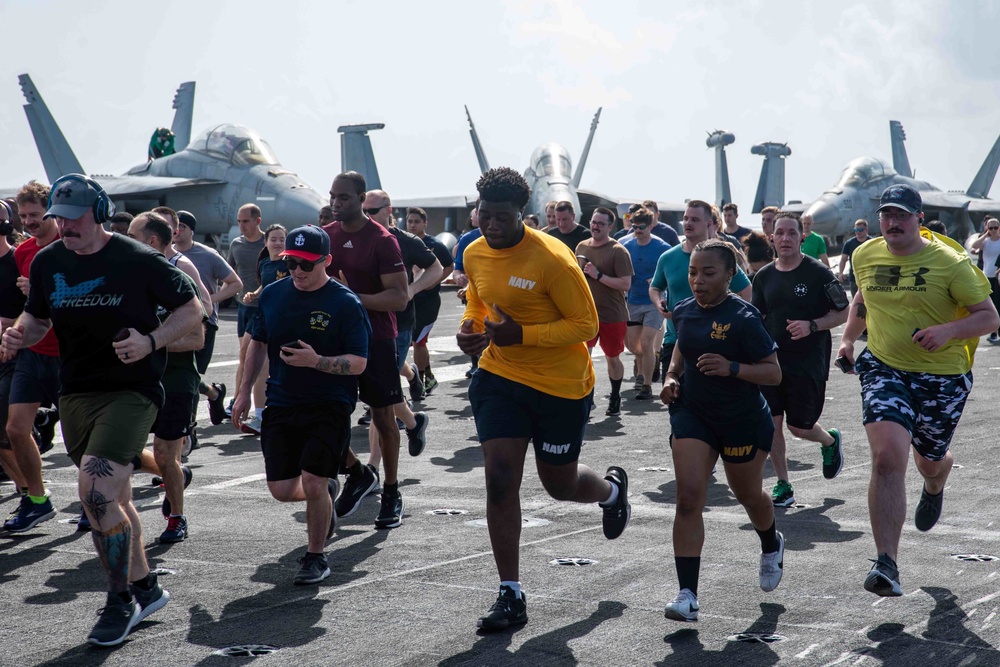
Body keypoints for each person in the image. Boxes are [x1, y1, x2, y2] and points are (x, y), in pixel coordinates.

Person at [1, 174, 202, 646]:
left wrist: (151, 340)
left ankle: (119, 603)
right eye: (58, 218)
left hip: (132, 391)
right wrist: (18, 335)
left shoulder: (138, 259)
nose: (64, 227)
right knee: (112, 499)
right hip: (76, 393)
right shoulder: (50, 261)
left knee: (94, 490)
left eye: (73, 218)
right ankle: (146, 588)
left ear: (100, 212)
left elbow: (192, 310)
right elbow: (39, 317)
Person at [457, 167, 630, 631]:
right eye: (483, 215)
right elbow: (477, 299)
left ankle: (612, 492)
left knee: (559, 484)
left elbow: (586, 326)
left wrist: (523, 334)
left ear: (524, 215)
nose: (490, 225)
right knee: (499, 478)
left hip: (560, 387)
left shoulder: (553, 258)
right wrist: (471, 331)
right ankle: (510, 592)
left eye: (501, 217)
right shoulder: (474, 251)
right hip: (500, 378)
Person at [837, 184, 998, 597]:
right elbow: (863, 297)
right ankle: (886, 562)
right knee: (888, 457)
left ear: (918, 220)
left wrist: (949, 331)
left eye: (902, 215)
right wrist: (848, 340)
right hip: (885, 367)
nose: (893, 222)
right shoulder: (864, 254)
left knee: (928, 461)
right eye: (886, 215)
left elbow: (989, 317)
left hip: (941, 377)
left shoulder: (951, 263)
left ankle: (935, 481)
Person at [233, 225, 371, 585]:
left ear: (326, 261)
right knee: (281, 490)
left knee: (312, 478)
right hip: (281, 400)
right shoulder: (274, 294)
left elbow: (358, 362)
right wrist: (244, 391)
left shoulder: (345, 302)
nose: (297, 270)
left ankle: (316, 556)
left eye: (306, 265)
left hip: (329, 403)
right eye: (291, 262)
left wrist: (317, 361)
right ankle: (325, 493)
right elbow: (258, 345)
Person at [659, 239, 784, 622]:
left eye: (708, 273)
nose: (697, 280)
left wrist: (733, 368)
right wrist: (671, 376)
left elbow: (774, 373)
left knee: (748, 495)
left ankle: (770, 542)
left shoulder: (745, 318)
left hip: (741, 419)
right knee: (689, 497)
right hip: (693, 413)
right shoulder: (682, 311)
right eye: (693, 272)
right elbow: (682, 347)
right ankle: (688, 594)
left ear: (730, 275)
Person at [322, 172, 409, 529]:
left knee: (383, 419)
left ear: (360, 199)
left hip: (376, 339)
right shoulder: (325, 238)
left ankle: (391, 490)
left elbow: (399, 298)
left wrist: (352, 298)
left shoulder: (382, 240)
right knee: (325, 420)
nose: (335, 203)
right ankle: (358, 473)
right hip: (335, 341)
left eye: (343, 197)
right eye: (332, 197)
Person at [751, 212, 849, 507]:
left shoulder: (818, 273)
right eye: (779, 233)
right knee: (771, 423)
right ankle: (784, 484)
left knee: (799, 427)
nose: (785, 238)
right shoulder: (764, 276)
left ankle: (829, 440)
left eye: (791, 233)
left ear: (801, 237)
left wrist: (812, 325)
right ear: (772, 238)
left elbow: (845, 311)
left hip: (808, 361)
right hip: (772, 362)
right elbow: (758, 316)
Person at [127, 212, 209, 542]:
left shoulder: (178, 280)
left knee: (165, 453)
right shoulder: (126, 282)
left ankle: (177, 516)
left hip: (176, 381)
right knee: (121, 451)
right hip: (136, 381)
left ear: (152, 242)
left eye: (131, 236)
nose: (122, 240)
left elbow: (196, 340)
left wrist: (152, 344)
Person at [361, 191, 436, 472]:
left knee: (379, 397)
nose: (366, 216)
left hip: (398, 326)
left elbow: (437, 268)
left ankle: (372, 467)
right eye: (363, 210)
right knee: (383, 394)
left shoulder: (405, 240)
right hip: (363, 323)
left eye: (372, 211)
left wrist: (411, 290)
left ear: (388, 210)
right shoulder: (357, 237)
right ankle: (414, 422)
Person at [3, 181, 61, 533]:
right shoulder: (23, 252)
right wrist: (15, 335)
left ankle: (164, 470)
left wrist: (39, 289)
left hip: (66, 354)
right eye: (23, 216)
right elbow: (30, 307)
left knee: (81, 440)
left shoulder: (68, 248)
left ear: (51, 211)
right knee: (14, 428)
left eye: (36, 215)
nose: (29, 222)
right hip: (33, 353)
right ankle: (37, 500)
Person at [649, 200, 752, 388]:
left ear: (709, 224)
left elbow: (745, 290)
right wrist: (659, 302)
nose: (688, 223)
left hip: (713, 340)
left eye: (694, 219)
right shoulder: (668, 257)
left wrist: (733, 320)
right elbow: (655, 287)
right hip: (675, 339)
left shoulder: (720, 257)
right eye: (685, 218)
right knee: (675, 401)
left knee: (709, 402)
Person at [172, 210, 242, 427]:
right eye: (175, 226)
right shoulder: (166, 254)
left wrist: (209, 299)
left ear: (192, 230)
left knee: (191, 375)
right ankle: (213, 393)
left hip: (204, 322)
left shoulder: (208, 254)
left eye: (182, 226)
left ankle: (188, 428)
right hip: (174, 322)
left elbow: (235, 283)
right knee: (181, 373)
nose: (177, 230)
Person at [575, 207, 633, 416]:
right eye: (593, 222)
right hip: (586, 313)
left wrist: (598, 275)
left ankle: (615, 396)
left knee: (612, 357)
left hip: (612, 314)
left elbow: (626, 284)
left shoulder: (618, 251)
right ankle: (586, 397)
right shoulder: (581, 246)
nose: (595, 226)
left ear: (610, 226)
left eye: (601, 223)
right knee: (583, 357)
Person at [406, 207, 455, 394]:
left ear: (425, 223)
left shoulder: (434, 244)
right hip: (410, 300)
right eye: (410, 221)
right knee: (415, 342)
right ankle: (429, 377)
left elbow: (449, 266)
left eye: (416, 222)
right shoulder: (404, 241)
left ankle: (419, 380)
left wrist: (433, 281)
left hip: (428, 302)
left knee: (419, 341)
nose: (412, 225)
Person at [622, 208, 670, 400]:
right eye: (634, 226)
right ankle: (651, 360)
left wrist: (659, 280)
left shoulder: (663, 248)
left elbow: (671, 273)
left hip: (654, 301)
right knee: (633, 345)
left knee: (647, 341)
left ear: (650, 226)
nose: (637, 230)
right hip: (632, 301)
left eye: (641, 227)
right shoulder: (625, 246)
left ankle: (646, 385)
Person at [228, 204, 268, 434]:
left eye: (245, 221)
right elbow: (228, 272)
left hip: (263, 308)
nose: (241, 226)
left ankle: (260, 406)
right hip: (244, 308)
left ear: (257, 221)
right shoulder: (236, 245)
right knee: (244, 356)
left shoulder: (269, 243)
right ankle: (236, 401)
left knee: (260, 360)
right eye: (239, 221)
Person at [0, 201, 27, 507]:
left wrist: (8, 324)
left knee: (7, 428)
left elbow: (36, 310)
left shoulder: (18, 260)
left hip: (15, 352)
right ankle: (26, 490)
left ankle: (33, 493)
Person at [451, 206, 482, 377]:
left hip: (502, 297)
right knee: (472, 328)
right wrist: (458, 278)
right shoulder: (468, 239)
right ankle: (475, 364)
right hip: (474, 296)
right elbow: (457, 269)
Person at [970, 217, 1000, 343]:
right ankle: (993, 333)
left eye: (995, 227)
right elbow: (974, 246)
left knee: (998, 304)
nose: (993, 230)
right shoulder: (985, 241)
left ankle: (996, 332)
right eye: (990, 228)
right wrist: (985, 235)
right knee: (991, 305)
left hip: (998, 277)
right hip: (986, 276)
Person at [838, 219, 871, 298]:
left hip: (869, 277)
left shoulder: (871, 242)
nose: (858, 232)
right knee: (856, 303)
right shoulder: (849, 243)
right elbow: (843, 259)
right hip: (854, 278)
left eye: (860, 230)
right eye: (856, 230)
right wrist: (841, 273)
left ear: (866, 230)